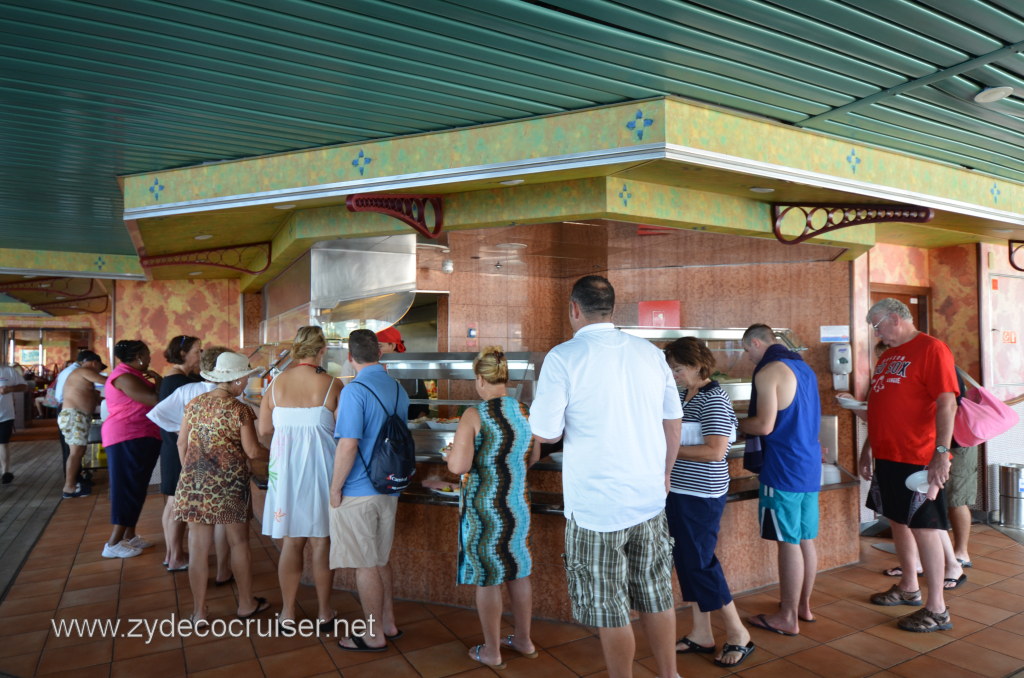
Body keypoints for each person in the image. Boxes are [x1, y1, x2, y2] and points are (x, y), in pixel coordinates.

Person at [529, 275, 682, 678]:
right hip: (648, 498)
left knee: (609, 606)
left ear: (574, 309)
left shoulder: (564, 357)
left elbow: (546, 433)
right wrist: (664, 475)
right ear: (612, 309)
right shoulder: (650, 354)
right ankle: (670, 675)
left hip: (596, 507)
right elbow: (673, 421)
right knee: (656, 594)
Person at [859, 298, 959, 633]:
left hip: (919, 457)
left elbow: (947, 402)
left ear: (895, 319)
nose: (877, 334)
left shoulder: (932, 349)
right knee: (898, 521)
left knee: (926, 528)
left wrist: (941, 452)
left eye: (877, 326)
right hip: (888, 455)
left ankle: (937, 609)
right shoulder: (888, 355)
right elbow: (880, 406)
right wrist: (867, 448)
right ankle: (908, 587)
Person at [447, 346, 541, 669]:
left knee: (488, 577)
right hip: (517, 504)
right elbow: (534, 456)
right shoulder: (525, 411)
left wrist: (450, 453)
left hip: (484, 509)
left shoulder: (475, 415)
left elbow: (459, 466)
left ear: (480, 379)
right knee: (518, 571)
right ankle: (524, 640)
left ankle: (491, 650)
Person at [663, 338, 753, 668]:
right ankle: (701, 632)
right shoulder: (686, 395)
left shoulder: (713, 399)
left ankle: (738, 633)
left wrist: (667, 451)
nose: (674, 374)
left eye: (679, 368)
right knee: (688, 561)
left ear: (699, 366)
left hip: (702, 495)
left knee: (700, 563)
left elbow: (716, 451)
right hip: (680, 492)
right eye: (671, 368)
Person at [739, 323, 821, 637]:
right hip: (809, 464)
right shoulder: (804, 368)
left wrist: (734, 421)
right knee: (804, 539)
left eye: (747, 350)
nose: (748, 358)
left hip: (782, 467)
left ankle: (787, 617)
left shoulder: (768, 371)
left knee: (787, 542)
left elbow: (764, 425)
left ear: (757, 342)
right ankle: (803, 607)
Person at [176, 351, 270, 624]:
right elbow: (252, 451)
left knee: (197, 548)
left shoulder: (194, 404)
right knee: (239, 543)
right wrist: (275, 453)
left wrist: (191, 473)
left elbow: (182, 443)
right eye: (246, 378)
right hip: (229, 485)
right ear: (238, 380)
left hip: (194, 484)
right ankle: (245, 604)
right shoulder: (239, 409)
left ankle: (199, 611)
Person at [258, 326, 341, 633]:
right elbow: (344, 432)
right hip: (322, 470)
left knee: (291, 543)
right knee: (322, 543)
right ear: (322, 351)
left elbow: (264, 430)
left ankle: (288, 614)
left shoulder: (275, 384)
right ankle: (324, 612)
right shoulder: (333, 384)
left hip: (286, 473)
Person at [330, 329, 407, 652]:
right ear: (379, 353)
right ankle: (388, 622)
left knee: (365, 564)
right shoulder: (397, 387)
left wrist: (335, 489)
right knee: (379, 559)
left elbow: (348, 445)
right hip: (389, 487)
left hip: (359, 489)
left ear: (350, 356)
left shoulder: (354, 390)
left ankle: (373, 633)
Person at [148, 345, 236, 583]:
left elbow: (157, 414)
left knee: (194, 518)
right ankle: (220, 570)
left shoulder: (188, 389)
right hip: (215, 464)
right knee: (219, 518)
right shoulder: (230, 398)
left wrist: (183, 433)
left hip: (191, 460)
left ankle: (179, 560)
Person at [100, 340, 163, 559]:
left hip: (141, 435)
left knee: (136, 487)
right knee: (126, 488)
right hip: (127, 436)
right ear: (138, 356)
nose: (149, 358)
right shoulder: (124, 377)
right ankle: (113, 543)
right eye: (147, 354)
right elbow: (153, 400)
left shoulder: (133, 374)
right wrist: (160, 381)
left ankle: (130, 535)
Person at [157, 335, 203, 571]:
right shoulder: (177, 382)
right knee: (177, 504)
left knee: (172, 503)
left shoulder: (179, 378)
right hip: (177, 446)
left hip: (172, 446)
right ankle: (175, 556)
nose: (201, 355)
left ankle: (171, 553)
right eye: (197, 351)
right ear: (183, 353)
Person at [56, 355, 107, 498]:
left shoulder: (82, 376)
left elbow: (91, 395)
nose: (98, 371)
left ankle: (73, 483)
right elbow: (109, 382)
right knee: (76, 452)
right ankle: (69, 487)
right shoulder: (83, 371)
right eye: (98, 367)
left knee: (79, 451)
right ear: (93, 362)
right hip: (74, 416)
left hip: (78, 416)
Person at [377, 326, 429, 420]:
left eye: (380, 346)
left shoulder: (407, 366)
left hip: (408, 421)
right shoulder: (377, 366)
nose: (376, 350)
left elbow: (422, 403)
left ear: (392, 345)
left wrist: (416, 424)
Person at [0, 363, 29, 484]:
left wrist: (9, 389)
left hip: (6, 415)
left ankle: (5, 472)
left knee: (3, 443)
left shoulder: (8, 371)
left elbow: (24, 386)